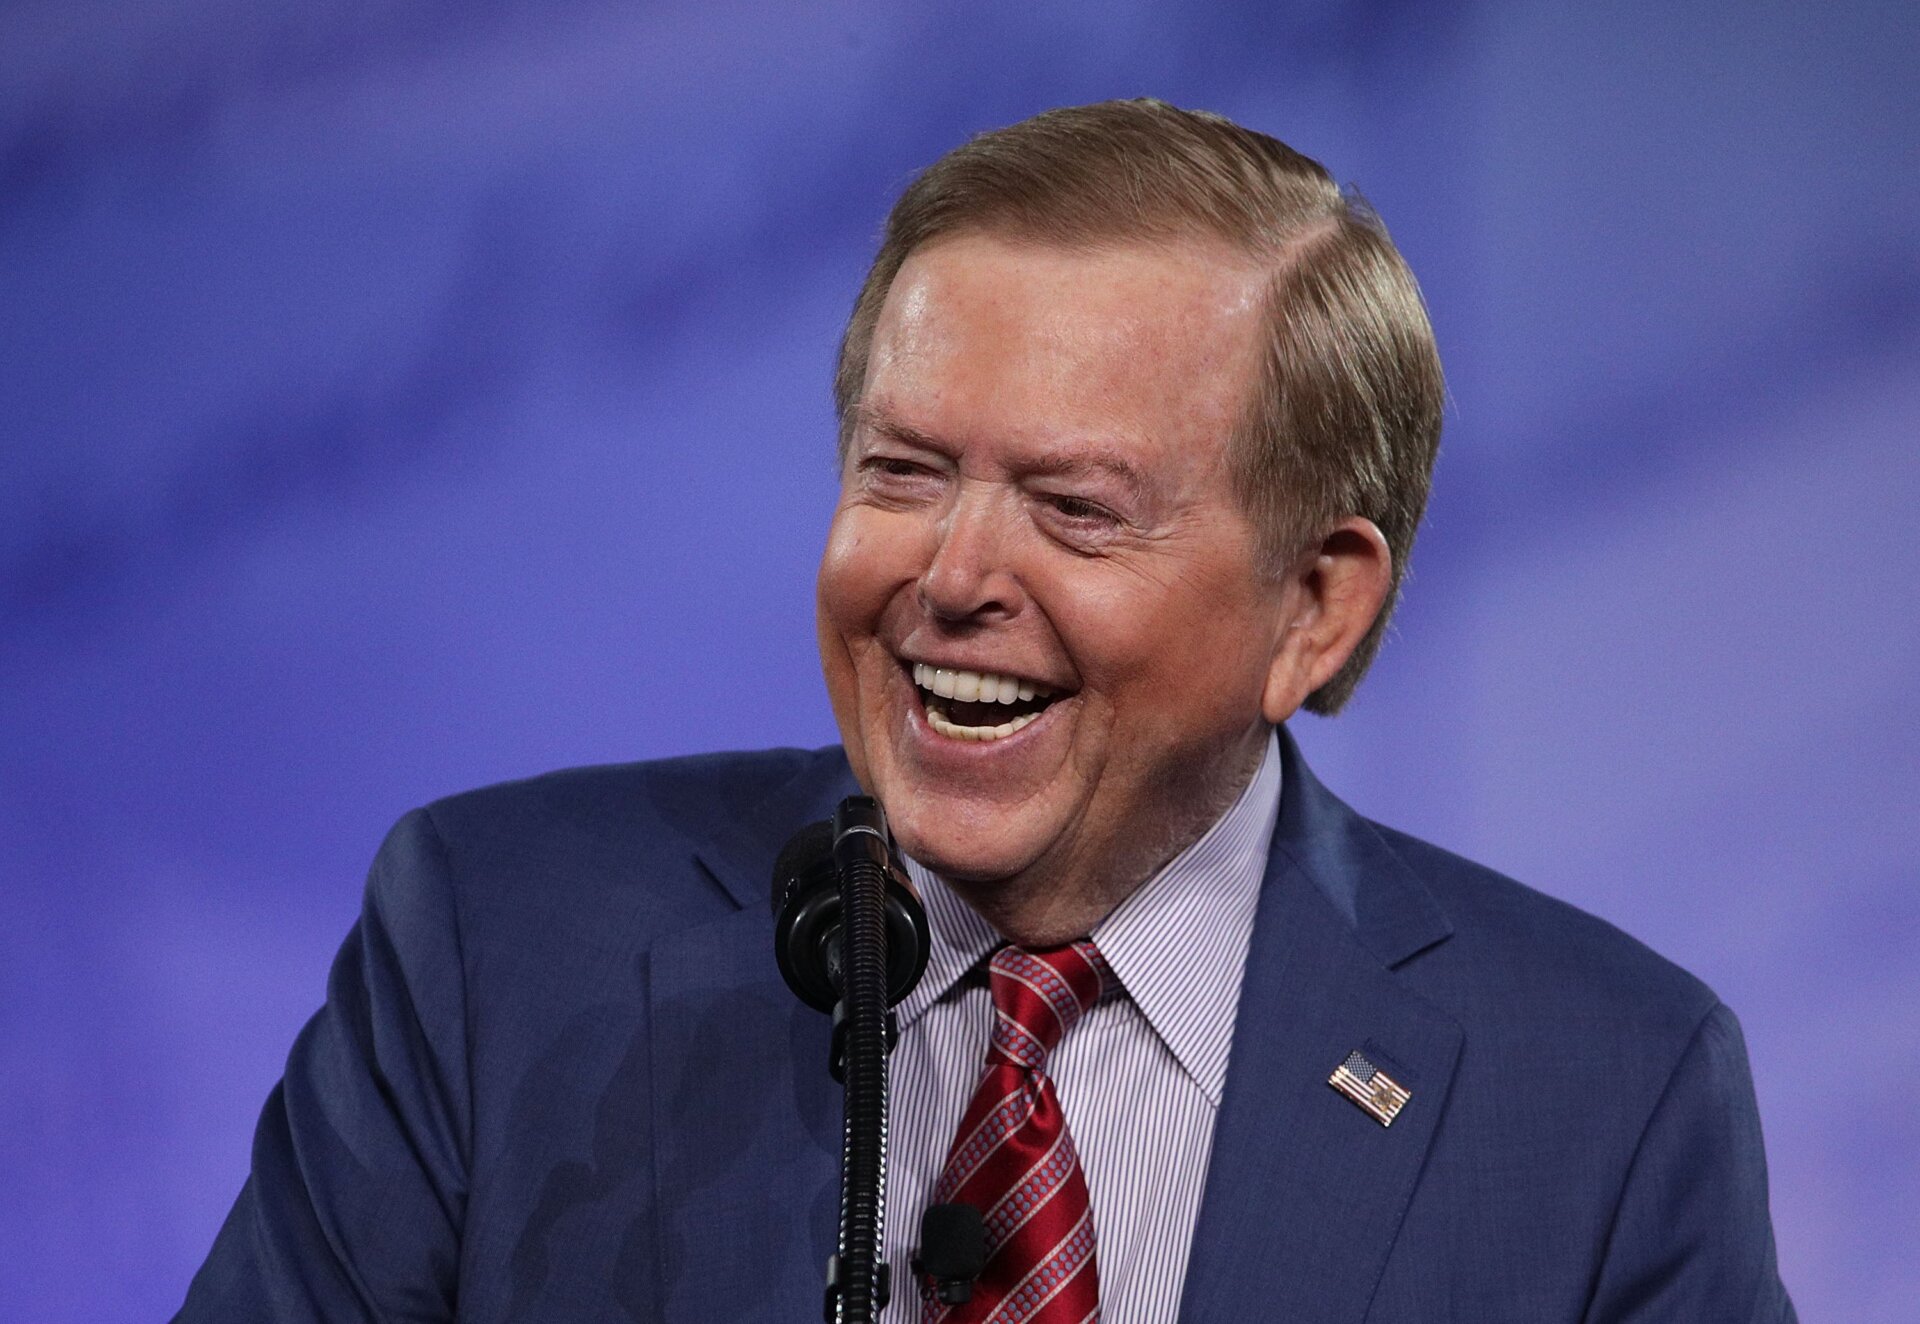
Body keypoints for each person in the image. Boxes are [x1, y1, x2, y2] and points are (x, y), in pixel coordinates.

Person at [178, 100, 1796, 1322]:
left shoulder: (1600, 1103)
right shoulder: (500, 949)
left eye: (1076, 509)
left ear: (1317, 604)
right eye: (902, 472)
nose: (951, 576)